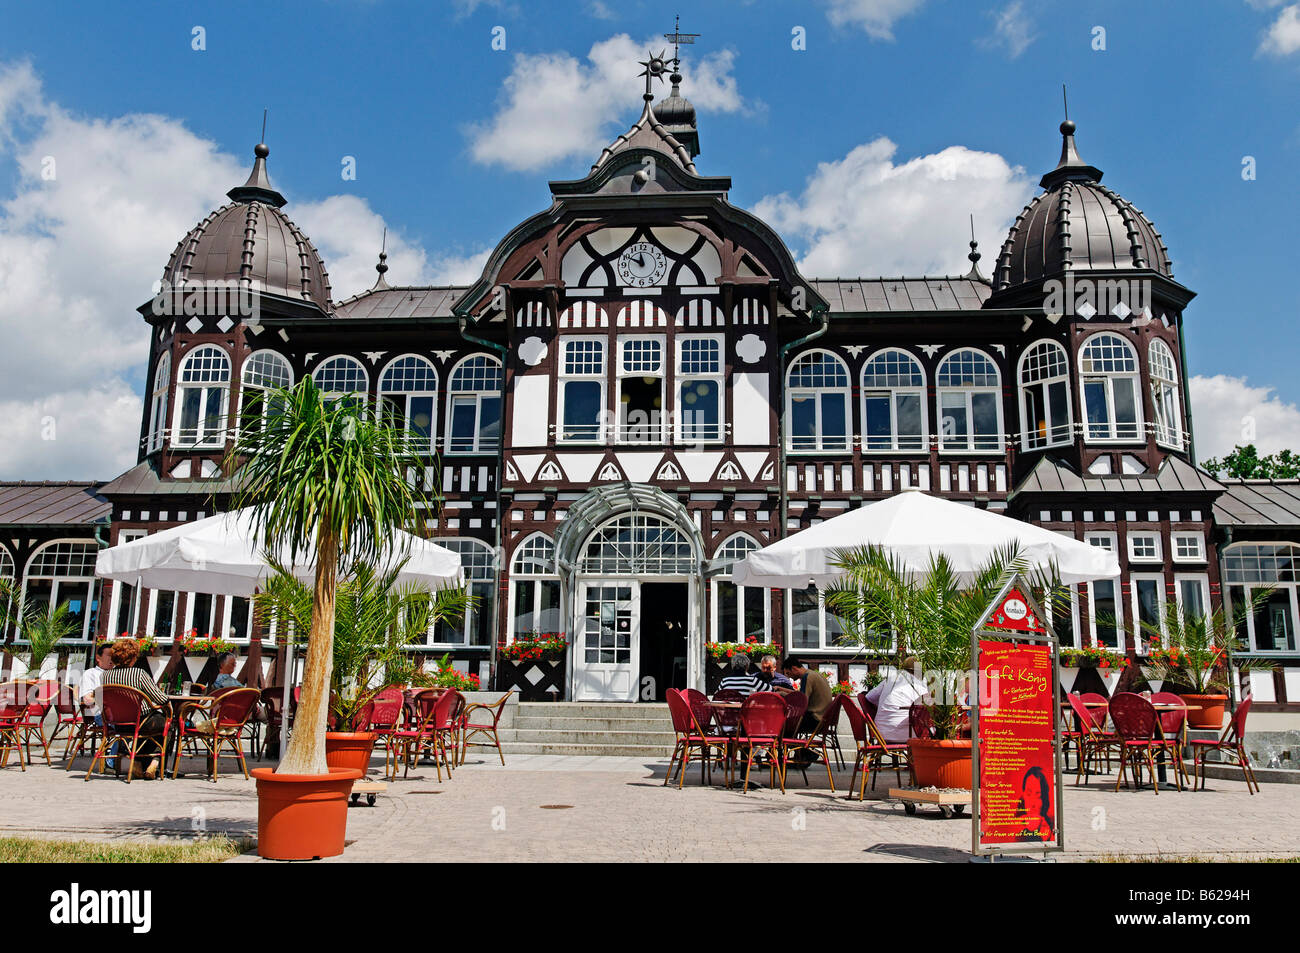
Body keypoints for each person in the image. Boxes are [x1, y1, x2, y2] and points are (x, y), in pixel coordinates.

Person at [100, 638, 170, 779]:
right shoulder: (138, 673)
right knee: (168, 723)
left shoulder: (105, 676)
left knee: (146, 727)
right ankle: (155, 762)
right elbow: (161, 699)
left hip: (118, 724)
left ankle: (137, 762)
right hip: (141, 721)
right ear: (132, 658)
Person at [862, 658, 927, 742]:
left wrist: (884, 705)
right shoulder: (919, 685)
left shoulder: (890, 679)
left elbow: (869, 697)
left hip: (880, 734)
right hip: (906, 734)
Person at [78, 642, 115, 769]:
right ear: (98, 658)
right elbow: (87, 699)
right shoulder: (91, 673)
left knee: (140, 723)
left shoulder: (118, 673)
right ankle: (112, 760)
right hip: (100, 714)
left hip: (119, 713)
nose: (112, 658)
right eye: (109, 655)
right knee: (128, 726)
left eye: (114, 655)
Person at [783, 656, 832, 734]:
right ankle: (792, 744)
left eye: (788, 673)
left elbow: (802, 702)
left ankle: (789, 744)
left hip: (815, 719)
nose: (789, 677)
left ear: (794, 668)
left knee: (783, 722)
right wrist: (783, 690)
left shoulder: (807, 677)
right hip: (824, 718)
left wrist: (783, 695)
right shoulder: (814, 674)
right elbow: (801, 695)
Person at [1016, 766, 1055, 841]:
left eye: (1038, 797)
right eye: (1028, 794)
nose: (1032, 804)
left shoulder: (1050, 825)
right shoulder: (1016, 823)